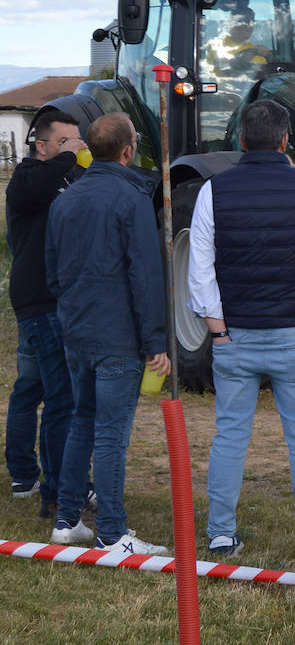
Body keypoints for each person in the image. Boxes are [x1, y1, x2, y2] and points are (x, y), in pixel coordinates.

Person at [186, 100, 295, 560]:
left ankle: (221, 532)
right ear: (285, 142)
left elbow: (200, 271)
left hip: (234, 334)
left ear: (240, 140)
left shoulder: (213, 190)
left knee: (230, 435)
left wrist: (217, 330)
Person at [44, 112, 169, 554]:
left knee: (83, 421)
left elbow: (53, 272)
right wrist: (156, 342)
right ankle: (113, 533)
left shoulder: (66, 199)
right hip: (116, 335)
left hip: (76, 331)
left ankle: (67, 520)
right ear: (128, 150)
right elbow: (145, 274)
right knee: (110, 433)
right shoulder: (129, 197)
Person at [5, 110, 82, 514]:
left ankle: (38, 475)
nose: (75, 149)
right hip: (39, 300)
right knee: (60, 398)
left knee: (34, 386)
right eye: (66, 142)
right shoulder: (27, 177)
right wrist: (69, 157)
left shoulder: (64, 176)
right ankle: (47, 484)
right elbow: (36, 193)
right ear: (42, 145)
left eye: (79, 141)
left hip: (55, 300)